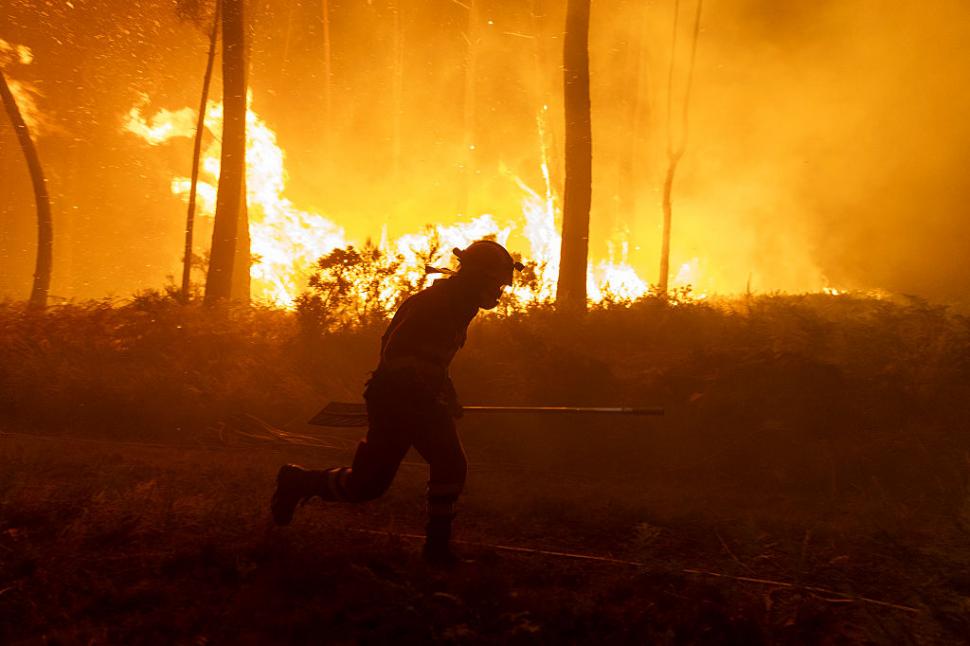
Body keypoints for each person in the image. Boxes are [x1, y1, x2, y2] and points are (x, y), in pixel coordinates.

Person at [271, 239, 523, 566]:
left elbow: (434, 360)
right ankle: (435, 552)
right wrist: (424, 391)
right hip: (397, 399)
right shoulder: (436, 303)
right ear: (478, 276)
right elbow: (395, 352)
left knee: (379, 482)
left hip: (416, 399)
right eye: (497, 283)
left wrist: (447, 392)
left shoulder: (461, 304)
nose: (500, 292)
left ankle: (299, 482)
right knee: (424, 471)